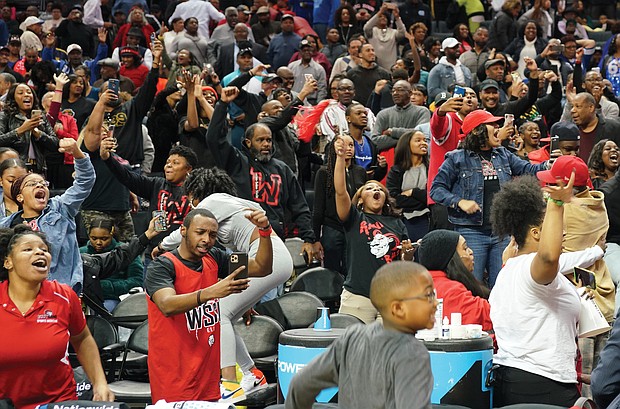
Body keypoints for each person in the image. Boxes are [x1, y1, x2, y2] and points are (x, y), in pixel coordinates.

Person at [154, 168, 293, 400]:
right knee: (227, 314)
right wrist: (244, 299)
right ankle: (252, 373)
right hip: (264, 256)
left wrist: (160, 246)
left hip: (268, 256)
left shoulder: (213, 201)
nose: (191, 204)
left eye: (191, 197)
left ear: (198, 191)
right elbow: (233, 257)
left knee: (217, 313)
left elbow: (184, 233)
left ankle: (229, 383)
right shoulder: (231, 204)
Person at [489, 175, 605, 407]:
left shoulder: (508, 269)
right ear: (536, 233)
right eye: (554, 227)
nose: (562, 234)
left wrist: (576, 297)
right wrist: (557, 204)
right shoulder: (530, 268)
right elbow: (549, 256)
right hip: (542, 386)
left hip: (510, 381)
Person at [145, 207, 270, 402]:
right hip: (174, 374)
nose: (206, 239)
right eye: (200, 232)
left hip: (207, 374)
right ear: (184, 231)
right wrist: (212, 292)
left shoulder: (214, 257)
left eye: (212, 235)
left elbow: (262, 267)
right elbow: (167, 305)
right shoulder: (162, 266)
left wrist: (264, 232)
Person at [285, 260, 436, 409]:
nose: (435, 303)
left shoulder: (352, 337)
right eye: (429, 295)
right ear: (398, 308)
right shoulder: (413, 353)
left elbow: (301, 385)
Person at [0, 225, 114, 409]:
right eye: (28, 249)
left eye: (44, 250)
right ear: (8, 262)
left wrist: (99, 382)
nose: (39, 253)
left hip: (58, 402)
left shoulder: (64, 296)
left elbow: (82, 338)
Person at [430, 110, 547, 288]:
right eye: (492, 124)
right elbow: (436, 189)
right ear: (478, 131)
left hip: (501, 233)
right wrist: (459, 202)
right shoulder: (456, 158)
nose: (497, 127)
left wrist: (549, 166)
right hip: (471, 232)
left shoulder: (503, 154)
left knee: (503, 286)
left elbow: (528, 170)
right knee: (472, 285)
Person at [206, 86, 320, 262]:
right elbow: (214, 138)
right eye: (260, 140)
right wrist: (222, 104)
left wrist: (309, 238)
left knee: (275, 288)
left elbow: (300, 206)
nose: (266, 144)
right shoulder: (237, 162)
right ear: (248, 142)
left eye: (268, 139)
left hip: (274, 239)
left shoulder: (282, 169)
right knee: (242, 287)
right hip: (240, 241)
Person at [333, 136, 414, 323]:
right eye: (369, 188)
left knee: (385, 351)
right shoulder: (354, 218)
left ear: (385, 198)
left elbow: (403, 262)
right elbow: (340, 191)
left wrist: (408, 255)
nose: (375, 190)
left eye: (379, 189)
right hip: (358, 298)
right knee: (354, 349)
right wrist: (339, 158)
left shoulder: (397, 224)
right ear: (360, 198)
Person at [0, 138, 94, 292]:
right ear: (20, 197)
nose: (39, 185)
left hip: (61, 291)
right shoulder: (6, 225)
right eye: (31, 184)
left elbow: (85, 181)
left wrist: (77, 153)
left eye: (43, 184)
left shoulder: (60, 208)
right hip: (21, 295)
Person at [99, 141, 196, 261]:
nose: (168, 166)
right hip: (155, 254)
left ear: (188, 169)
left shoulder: (196, 192)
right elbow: (127, 177)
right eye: (167, 162)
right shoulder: (156, 184)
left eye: (175, 163)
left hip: (184, 256)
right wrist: (107, 158)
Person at [418, 228, 491, 331]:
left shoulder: (420, 284)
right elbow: (496, 315)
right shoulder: (451, 291)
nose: (471, 252)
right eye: (465, 248)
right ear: (451, 258)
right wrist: (509, 265)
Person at [313, 134, 367, 275]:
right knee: (332, 272)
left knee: (354, 270)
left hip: (354, 228)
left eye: (351, 145)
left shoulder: (360, 172)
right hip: (332, 229)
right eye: (342, 144)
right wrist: (315, 239)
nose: (348, 148)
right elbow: (318, 208)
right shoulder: (324, 172)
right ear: (334, 147)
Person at [80, 216, 143, 312]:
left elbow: (137, 280)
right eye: (94, 238)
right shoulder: (80, 252)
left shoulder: (125, 251)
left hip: (115, 298)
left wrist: (106, 287)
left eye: (104, 238)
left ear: (112, 234)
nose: (98, 242)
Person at [0, 83, 59, 175]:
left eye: (29, 92)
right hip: (14, 168)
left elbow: (55, 144)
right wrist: (20, 130)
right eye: (20, 93)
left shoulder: (41, 117)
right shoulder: (5, 116)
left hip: (38, 169)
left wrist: (38, 134)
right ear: (13, 98)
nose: (26, 95)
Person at [386, 130, 430, 242]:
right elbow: (394, 199)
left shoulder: (431, 169)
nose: (424, 143)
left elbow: (433, 197)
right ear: (407, 145)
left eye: (425, 140)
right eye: (418, 140)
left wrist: (413, 192)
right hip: (404, 219)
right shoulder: (396, 170)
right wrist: (422, 199)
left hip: (428, 219)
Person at [42, 73, 79, 189]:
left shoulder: (69, 119)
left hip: (64, 161)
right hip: (45, 160)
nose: (54, 99)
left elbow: (74, 139)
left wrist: (60, 132)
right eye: (50, 97)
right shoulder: (39, 118)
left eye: (55, 96)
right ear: (43, 104)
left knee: (63, 190)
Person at [363, 3, 406, 71]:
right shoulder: (372, 31)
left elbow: (402, 33)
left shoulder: (393, 32)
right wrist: (380, 12)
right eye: (380, 16)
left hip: (391, 67)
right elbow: (366, 28)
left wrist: (397, 17)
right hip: (375, 68)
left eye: (385, 17)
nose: (383, 18)